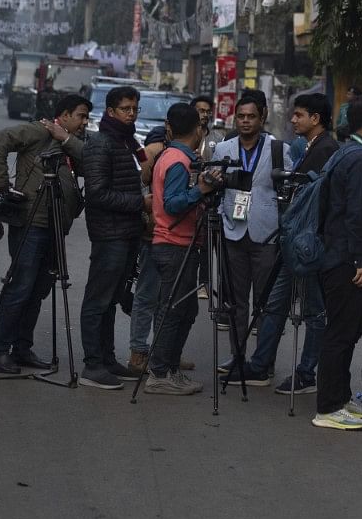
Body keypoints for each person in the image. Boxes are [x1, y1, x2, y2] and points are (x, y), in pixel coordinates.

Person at [0, 93, 89, 375]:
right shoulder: (38, 131)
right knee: (21, 287)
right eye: (80, 115)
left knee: (39, 289)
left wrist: (65, 139)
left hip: (55, 225)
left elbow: (90, 161)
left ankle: (22, 347)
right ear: (64, 115)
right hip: (32, 221)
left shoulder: (70, 141)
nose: (84, 122)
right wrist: (3, 188)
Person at [247, 92, 340, 395]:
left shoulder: (327, 148)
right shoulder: (309, 146)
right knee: (274, 304)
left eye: (299, 115)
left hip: (308, 244)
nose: (293, 120)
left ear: (316, 118)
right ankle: (260, 364)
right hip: (293, 242)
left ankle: (306, 372)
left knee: (313, 311)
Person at [312, 97, 362, 430]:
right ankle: (328, 407)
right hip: (344, 259)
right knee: (340, 333)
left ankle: (340, 398)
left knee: (347, 330)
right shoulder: (360, 159)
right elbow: (357, 214)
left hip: (338, 256)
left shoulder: (348, 152)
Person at [209, 88, 286, 384]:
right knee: (235, 303)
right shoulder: (223, 149)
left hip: (266, 234)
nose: (245, 122)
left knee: (266, 303)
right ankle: (237, 356)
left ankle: (264, 361)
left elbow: (287, 191)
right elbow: (211, 185)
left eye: (251, 116)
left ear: (263, 117)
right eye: (240, 116)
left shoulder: (279, 150)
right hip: (233, 232)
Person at [71, 85, 145, 387]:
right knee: (97, 300)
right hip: (109, 233)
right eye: (125, 109)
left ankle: (107, 359)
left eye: (134, 109)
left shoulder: (125, 141)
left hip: (126, 232)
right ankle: (92, 365)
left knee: (111, 300)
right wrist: (141, 203)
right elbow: (98, 194)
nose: (131, 114)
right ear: (111, 111)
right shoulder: (101, 143)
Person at [141, 102, 214, 397]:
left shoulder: (175, 156)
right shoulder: (177, 161)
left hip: (178, 244)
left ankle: (169, 369)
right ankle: (159, 373)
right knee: (173, 310)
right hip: (174, 245)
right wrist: (201, 191)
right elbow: (172, 204)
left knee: (185, 309)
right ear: (198, 130)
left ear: (170, 129)